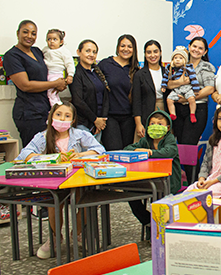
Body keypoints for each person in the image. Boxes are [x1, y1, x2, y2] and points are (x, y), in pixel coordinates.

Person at [16, 101, 105, 259]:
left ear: (72, 120)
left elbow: (99, 149)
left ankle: (77, 233)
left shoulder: (80, 134)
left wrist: (81, 155)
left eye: (67, 116)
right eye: (58, 114)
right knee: (55, 203)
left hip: (78, 180)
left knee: (85, 201)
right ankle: (55, 237)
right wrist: (52, 158)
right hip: (55, 182)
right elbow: (25, 154)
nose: (62, 118)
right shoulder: (42, 136)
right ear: (51, 117)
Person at [4, 20, 67, 147]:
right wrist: (54, 83)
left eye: (33, 33)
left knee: (49, 151)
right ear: (18, 33)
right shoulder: (12, 56)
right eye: (25, 32)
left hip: (45, 109)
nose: (29, 36)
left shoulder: (38, 51)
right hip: (28, 112)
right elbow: (25, 85)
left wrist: (62, 81)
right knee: (34, 153)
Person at [123, 110, 182, 225]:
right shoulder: (146, 140)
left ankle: (159, 228)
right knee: (129, 191)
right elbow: (127, 149)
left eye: (160, 124)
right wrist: (137, 150)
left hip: (168, 182)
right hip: (148, 180)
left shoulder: (169, 139)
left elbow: (169, 152)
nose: (155, 127)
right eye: (152, 124)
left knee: (158, 201)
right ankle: (148, 222)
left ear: (167, 127)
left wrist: (150, 153)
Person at [185, 102, 221, 198]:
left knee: (206, 195)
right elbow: (205, 162)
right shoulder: (213, 140)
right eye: (220, 119)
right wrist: (201, 178)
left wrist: (214, 181)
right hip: (209, 179)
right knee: (189, 192)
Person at [167, 37, 216, 144]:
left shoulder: (206, 67)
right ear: (189, 47)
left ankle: (189, 162)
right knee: (181, 143)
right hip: (178, 109)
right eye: (194, 46)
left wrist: (188, 99)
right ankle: (186, 162)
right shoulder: (179, 63)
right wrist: (181, 82)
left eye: (200, 48)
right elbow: (168, 84)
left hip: (197, 108)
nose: (196, 50)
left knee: (188, 144)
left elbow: (210, 88)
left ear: (205, 52)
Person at [98, 34, 139, 151]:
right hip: (110, 117)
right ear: (117, 47)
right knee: (114, 151)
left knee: (126, 153)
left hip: (128, 118)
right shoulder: (105, 64)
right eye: (123, 46)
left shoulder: (135, 70)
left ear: (134, 50)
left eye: (129, 46)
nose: (126, 49)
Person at [69, 39, 110, 142]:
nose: (91, 54)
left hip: (99, 124)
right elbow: (78, 101)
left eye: (94, 52)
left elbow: (105, 97)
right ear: (79, 52)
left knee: (97, 154)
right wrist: (95, 120)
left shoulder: (96, 72)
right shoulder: (76, 74)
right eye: (87, 51)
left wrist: (102, 120)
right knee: (85, 156)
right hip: (83, 124)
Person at [132, 40, 167, 139]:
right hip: (146, 115)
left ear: (160, 53)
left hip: (164, 112)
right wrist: (138, 124)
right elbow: (136, 101)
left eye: (155, 51)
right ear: (145, 54)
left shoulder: (167, 72)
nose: (152, 55)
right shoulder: (140, 74)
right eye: (149, 52)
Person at [163, 46, 200, 123]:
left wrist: (196, 90)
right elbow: (165, 78)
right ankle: (173, 114)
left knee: (191, 99)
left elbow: (193, 79)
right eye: (175, 58)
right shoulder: (170, 68)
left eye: (180, 58)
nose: (178, 60)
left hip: (187, 88)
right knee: (169, 99)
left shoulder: (188, 68)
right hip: (176, 90)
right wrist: (163, 86)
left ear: (185, 60)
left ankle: (192, 113)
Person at [42, 28, 75, 106]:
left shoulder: (64, 51)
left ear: (61, 42)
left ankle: (56, 107)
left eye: (55, 39)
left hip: (56, 74)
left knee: (51, 92)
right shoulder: (45, 49)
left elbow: (70, 64)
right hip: (46, 73)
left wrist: (70, 75)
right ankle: (53, 106)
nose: (51, 41)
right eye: (49, 39)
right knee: (48, 93)